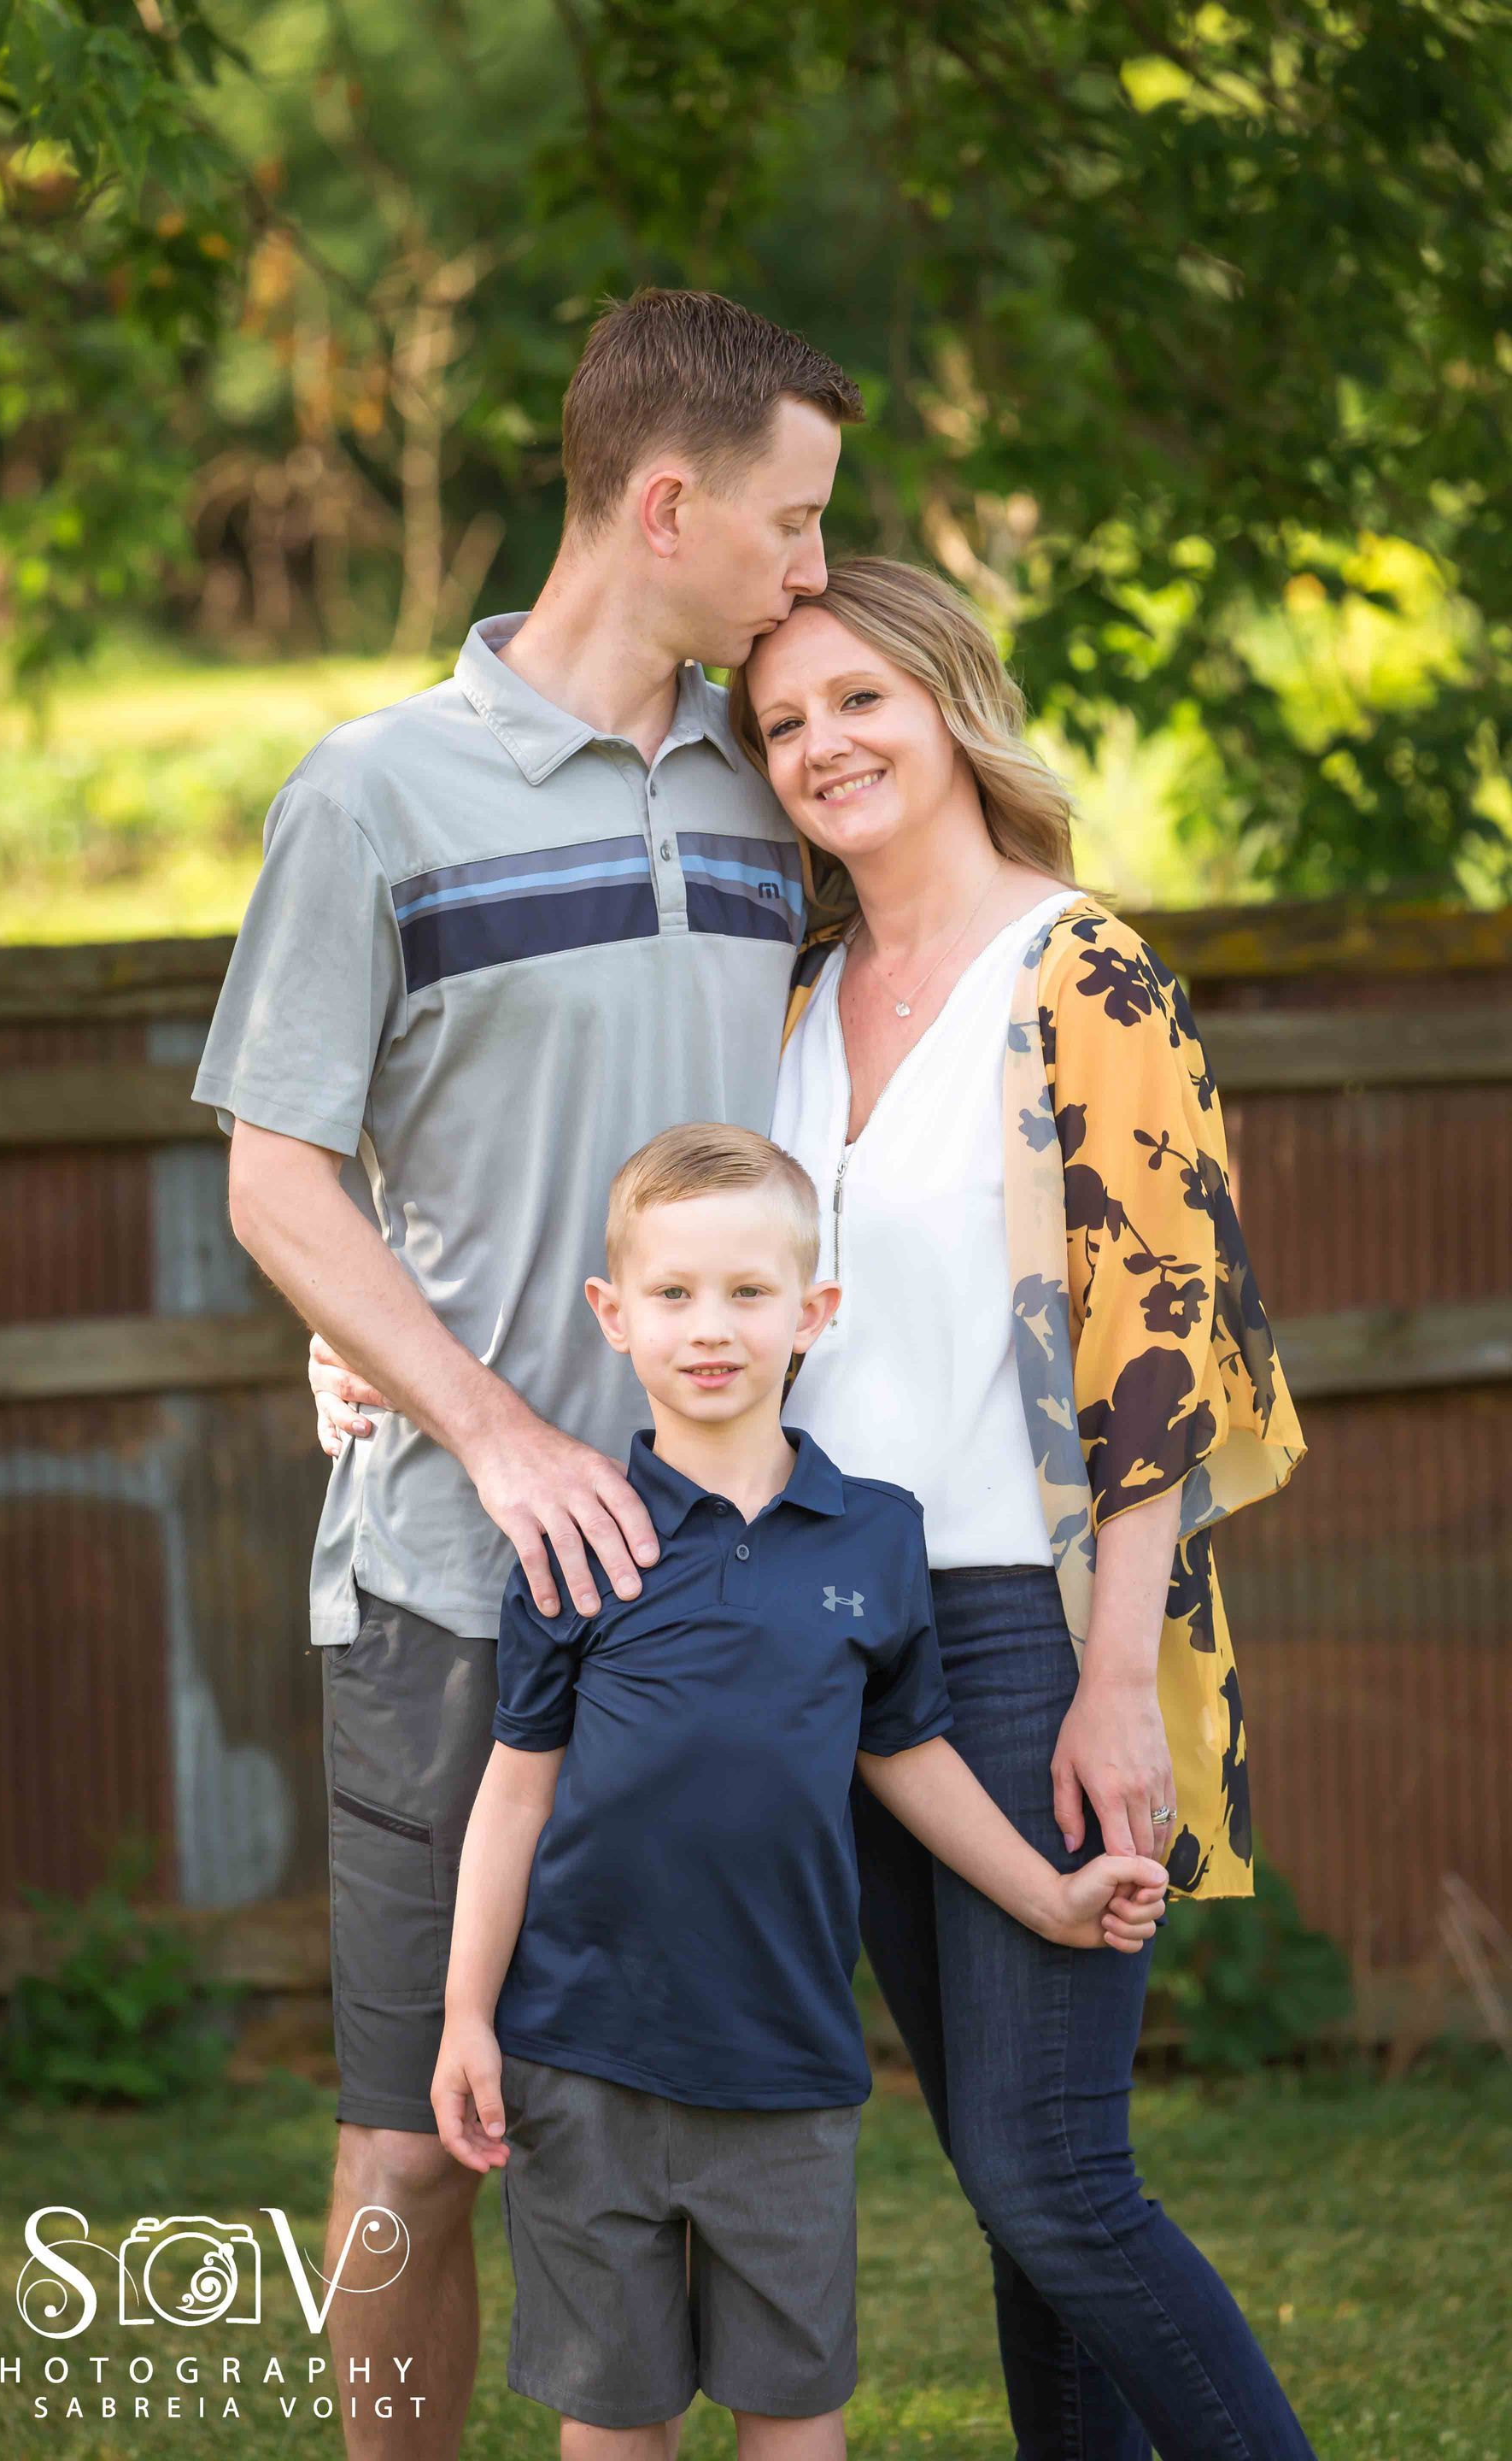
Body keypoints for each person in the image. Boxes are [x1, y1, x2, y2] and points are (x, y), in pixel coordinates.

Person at [192, 288, 862, 2458]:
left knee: (690, 2140)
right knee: (409, 2153)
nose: (814, 573)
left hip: (731, 1595)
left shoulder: (783, 789)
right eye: (792, 521)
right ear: (666, 504)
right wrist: (465, 1410)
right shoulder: (375, 795)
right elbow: (280, 1178)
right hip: (457, 1589)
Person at [728, 557, 1315, 2460]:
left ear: (948, 702)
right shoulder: (801, 996)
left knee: (1058, 2175)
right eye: (783, 724)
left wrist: (1115, 1677)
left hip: (1027, 1630)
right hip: (847, 1636)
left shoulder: (1082, 971)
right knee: (1007, 2193)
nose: (822, 747)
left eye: (857, 702)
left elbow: (1165, 1343)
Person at [431, 1124, 1169, 2461]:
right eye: (672, 1294)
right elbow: (513, 1798)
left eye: (748, 1294)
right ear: (614, 1314)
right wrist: (467, 2017)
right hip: (584, 2056)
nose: (709, 1329)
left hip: (787, 2069)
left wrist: (1049, 1895)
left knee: (793, 2412)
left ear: (812, 1313)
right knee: (614, 2416)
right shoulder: (580, 1538)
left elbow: (906, 1756)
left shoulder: (876, 1534)